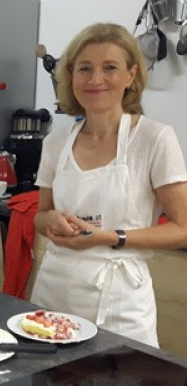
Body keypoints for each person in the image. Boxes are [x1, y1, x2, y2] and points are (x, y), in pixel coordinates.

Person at [31, 23, 187, 347]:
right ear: (71, 76)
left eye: (110, 68)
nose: (95, 79)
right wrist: (50, 220)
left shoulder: (155, 139)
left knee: (120, 380)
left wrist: (111, 237)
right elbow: (41, 215)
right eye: (85, 68)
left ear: (131, 75)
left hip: (121, 305)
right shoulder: (55, 143)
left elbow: (182, 228)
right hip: (54, 293)